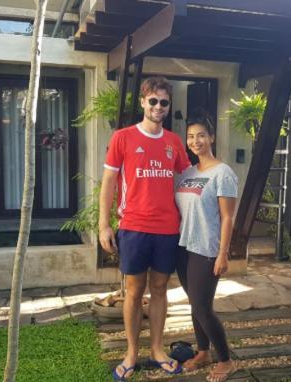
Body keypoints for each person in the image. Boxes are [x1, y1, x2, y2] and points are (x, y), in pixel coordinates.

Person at [99, 76, 191, 381]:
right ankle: (131, 353)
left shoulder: (174, 142)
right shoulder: (123, 138)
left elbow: (188, 180)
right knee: (135, 293)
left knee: (161, 290)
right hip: (133, 227)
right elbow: (109, 183)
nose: (159, 107)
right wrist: (103, 225)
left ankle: (157, 349)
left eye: (164, 102)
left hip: (167, 228)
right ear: (142, 102)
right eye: (153, 101)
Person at [175, 111, 238, 382]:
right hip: (183, 247)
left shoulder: (223, 173)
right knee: (194, 303)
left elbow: (227, 217)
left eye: (201, 135)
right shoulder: (187, 173)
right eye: (190, 136)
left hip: (206, 249)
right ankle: (203, 352)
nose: (195, 140)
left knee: (203, 307)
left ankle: (226, 360)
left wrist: (223, 254)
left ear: (211, 137)